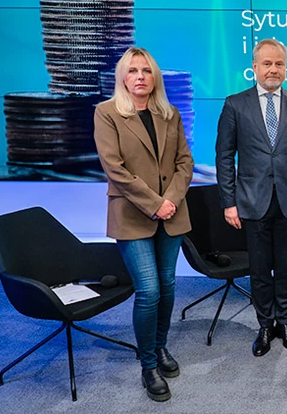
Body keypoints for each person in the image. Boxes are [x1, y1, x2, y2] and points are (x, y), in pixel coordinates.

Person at [93, 47, 193, 402]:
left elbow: (184, 163)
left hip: (172, 213)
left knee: (167, 286)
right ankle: (148, 364)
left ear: (155, 77)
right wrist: (155, 204)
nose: (140, 76)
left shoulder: (169, 113)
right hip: (133, 214)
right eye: (133, 70)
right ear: (123, 76)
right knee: (148, 290)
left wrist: (171, 201)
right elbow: (115, 168)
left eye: (146, 71)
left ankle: (160, 346)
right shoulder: (107, 113)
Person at [216, 38, 287, 357]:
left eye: (279, 64)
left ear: (285, 68)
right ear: (255, 67)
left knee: (286, 267)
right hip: (251, 201)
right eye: (267, 63)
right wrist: (228, 202)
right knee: (260, 270)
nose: (273, 69)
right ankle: (264, 325)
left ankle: (284, 322)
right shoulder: (235, 104)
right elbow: (224, 156)